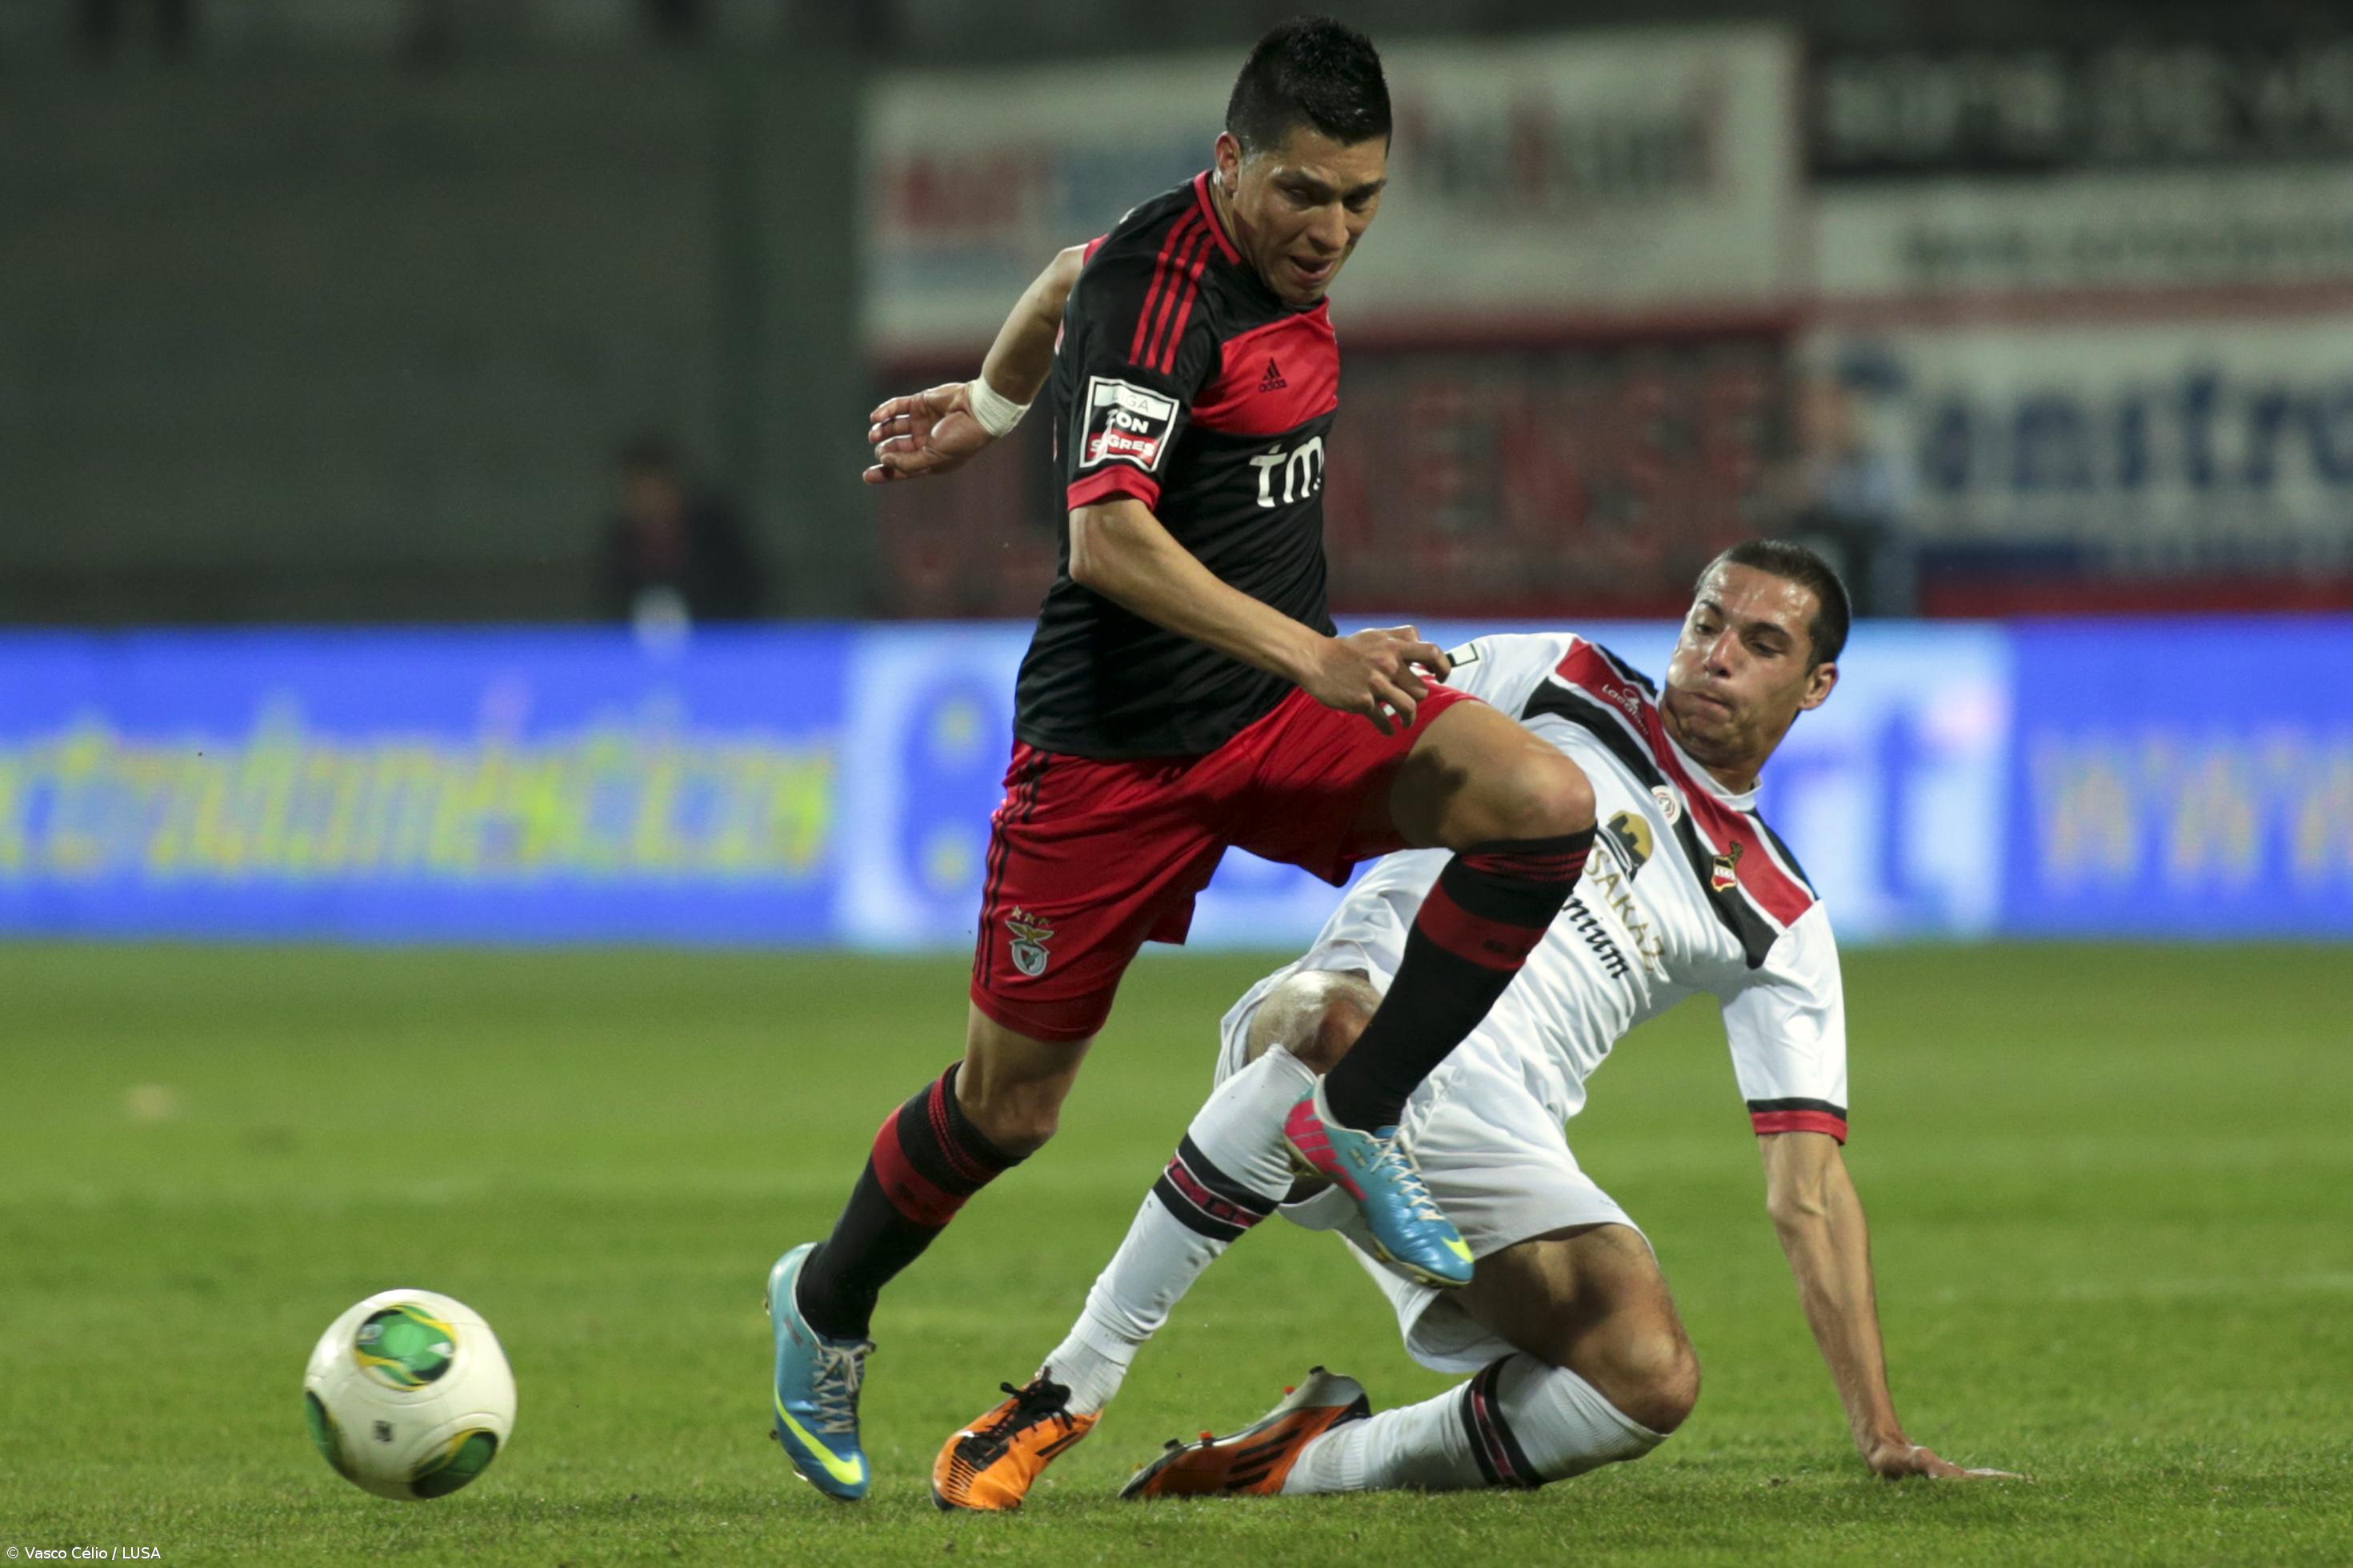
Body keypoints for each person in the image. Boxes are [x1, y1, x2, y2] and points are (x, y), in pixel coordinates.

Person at [769, 19, 1607, 1501]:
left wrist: (988, 405)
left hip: (1275, 719)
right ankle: (825, 1305)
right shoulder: (1168, 297)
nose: (1332, 230)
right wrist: (1316, 657)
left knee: (1541, 804)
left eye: (1362, 200)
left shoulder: (1213, 252)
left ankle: (1355, 1121)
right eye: (1303, 192)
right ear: (1229, 165)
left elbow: (1056, 270)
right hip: (1115, 752)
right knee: (1006, 1111)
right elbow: (1108, 539)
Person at [931, 541, 2017, 1509]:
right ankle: (1069, 1387)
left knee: (1646, 1378)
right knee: (1330, 1025)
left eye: (1762, 643)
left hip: (1483, 1141)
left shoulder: (1777, 912)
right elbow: (1362, 713)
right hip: (1345, 1019)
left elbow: (1810, 1191)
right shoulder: (1562, 677)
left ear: (1817, 686)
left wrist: (1880, 1433)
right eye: (1705, 622)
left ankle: (1299, 1463)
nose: (1716, 654)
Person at [597, 436, 764, 628]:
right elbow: (609, 606)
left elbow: (746, 596)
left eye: (656, 491)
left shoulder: (717, 537)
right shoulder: (620, 545)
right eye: (639, 493)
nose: (650, 504)